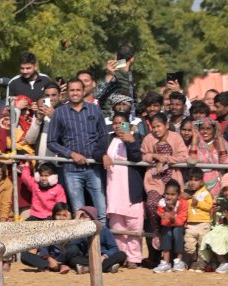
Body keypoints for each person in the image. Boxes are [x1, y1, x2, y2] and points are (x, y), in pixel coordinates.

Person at [47, 78, 109, 222]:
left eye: (78, 90)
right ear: (67, 92)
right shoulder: (59, 113)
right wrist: (71, 154)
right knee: (79, 213)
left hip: (94, 168)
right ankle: (81, 244)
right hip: (72, 170)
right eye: (72, 90)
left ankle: (101, 243)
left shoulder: (94, 109)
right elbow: (51, 142)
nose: (75, 93)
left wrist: (102, 154)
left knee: (101, 212)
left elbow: (103, 136)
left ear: (83, 91)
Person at [140, 112, 187, 250]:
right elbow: (142, 155)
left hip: (172, 181)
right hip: (154, 181)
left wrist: (166, 159)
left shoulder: (175, 137)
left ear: (166, 125)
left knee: (174, 208)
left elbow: (184, 156)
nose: (156, 130)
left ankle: (174, 250)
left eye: (159, 126)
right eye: (153, 127)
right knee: (152, 203)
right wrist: (155, 156)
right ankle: (156, 231)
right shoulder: (148, 139)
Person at [103, 112, 145, 268]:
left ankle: (134, 257)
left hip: (131, 189)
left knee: (134, 224)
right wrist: (102, 155)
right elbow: (97, 151)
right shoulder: (108, 139)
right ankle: (122, 256)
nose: (118, 126)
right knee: (117, 226)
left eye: (122, 123)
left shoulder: (137, 138)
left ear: (128, 124)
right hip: (113, 188)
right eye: (115, 123)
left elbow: (137, 158)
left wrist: (131, 142)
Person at [65, 206, 126, 274]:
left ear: (92, 218)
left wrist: (103, 257)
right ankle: (107, 267)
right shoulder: (80, 231)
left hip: (104, 258)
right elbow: (72, 243)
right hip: (88, 259)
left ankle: (87, 269)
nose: (81, 219)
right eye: (80, 216)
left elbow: (114, 248)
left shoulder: (104, 230)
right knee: (72, 260)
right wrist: (76, 220)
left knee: (122, 255)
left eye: (84, 216)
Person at [201, 172, 228, 272]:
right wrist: (213, 213)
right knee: (210, 237)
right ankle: (223, 262)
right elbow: (215, 222)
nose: (227, 193)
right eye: (225, 190)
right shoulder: (220, 201)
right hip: (220, 228)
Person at [187, 117, 228, 197]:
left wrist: (219, 137)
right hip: (199, 185)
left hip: (218, 183)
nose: (205, 132)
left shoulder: (223, 143)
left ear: (214, 130)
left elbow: (225, 161)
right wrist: (194, 138)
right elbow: (191, 161)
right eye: (202, 129)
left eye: (208, 129)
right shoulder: (195, 144)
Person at [182, 167, 214, 271]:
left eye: (196, 180)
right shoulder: (187, 194)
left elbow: (209, 206)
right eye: (191, 179)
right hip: (191, 224)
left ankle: (201, 265)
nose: (192, 182)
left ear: (201, 181)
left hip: (203, 224)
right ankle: (194, 260)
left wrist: (198, 203)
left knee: (202, 247)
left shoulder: (205, 193)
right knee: (189, 246)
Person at [153, 180, 188, 273]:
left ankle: (178, 261)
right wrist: (168, 213)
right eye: (167, 194)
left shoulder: (183, 203)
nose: (169, 197)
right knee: (166, 232)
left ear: (178, 195)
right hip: (167, 226)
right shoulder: (162, 204)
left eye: (173, 194)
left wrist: (172, 216)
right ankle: (166, 262)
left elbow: (181, 221)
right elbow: (164, 222)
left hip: (180, 227)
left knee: (177, 231)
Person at [96, 46, 136, 115]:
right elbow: (97, 94)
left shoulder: (129, 75)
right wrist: (109, 75)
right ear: (132, 59)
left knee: (124, 125)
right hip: (111, 120)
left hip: (125, 120)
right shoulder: (113, 74)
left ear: (116, 56)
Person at [26, 83, 61, 158]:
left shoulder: (67, 112)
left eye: (53, 95)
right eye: (47, 96)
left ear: (60, 96)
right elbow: (30, 140)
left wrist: (54, 117)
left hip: (60, 163)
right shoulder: (39, 113)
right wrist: (38, 121)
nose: (50, 98)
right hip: (41, 163)